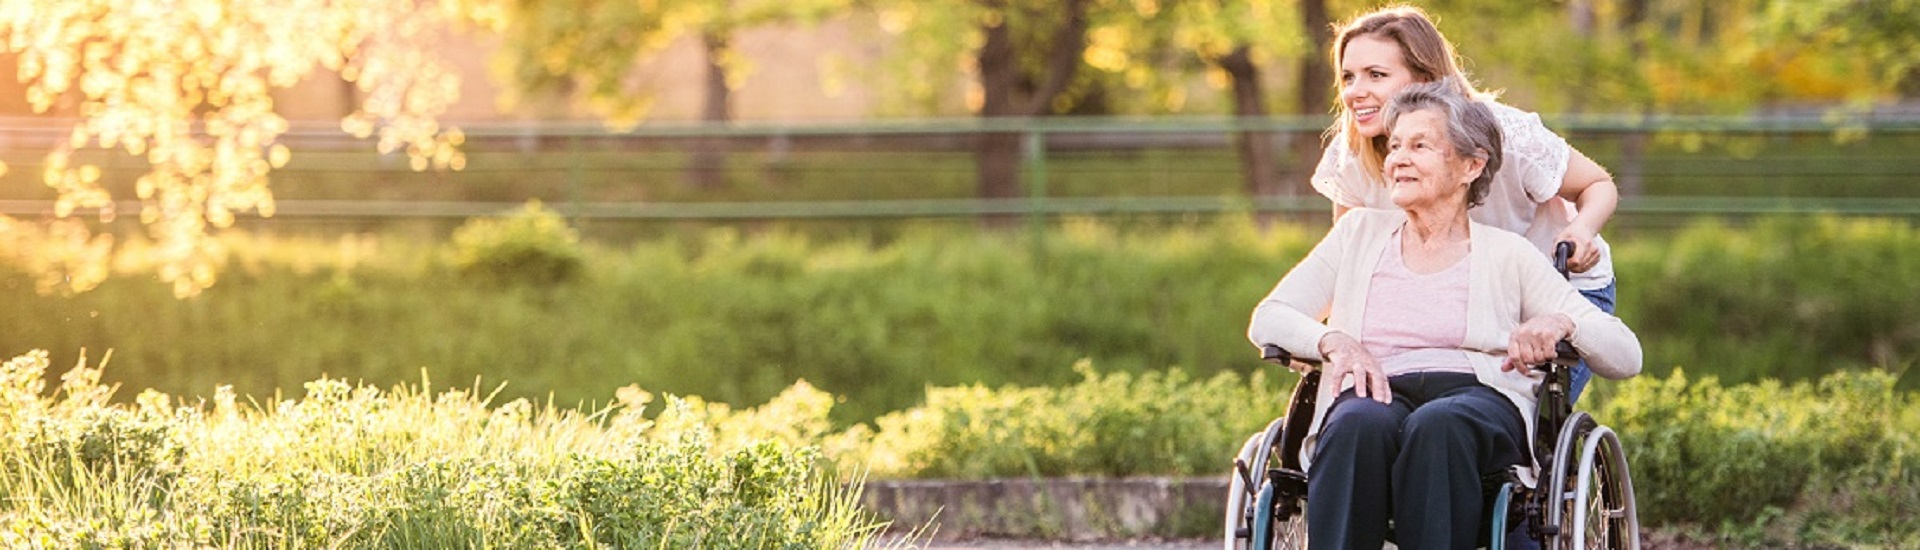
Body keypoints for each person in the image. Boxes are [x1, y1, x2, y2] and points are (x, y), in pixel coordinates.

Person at [1248, 79, 1642, 549]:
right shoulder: (1357, 234)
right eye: (1394, 146)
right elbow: (1268, 316)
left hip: (1477, 399)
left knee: (1440, 425)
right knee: (1355, 424)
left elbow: (1626, 354)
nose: (1398, 159)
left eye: (1419, 146)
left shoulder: (1508, 254)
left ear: (1471, 165)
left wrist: (1564, 323)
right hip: (1374, 392)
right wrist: (1331, 341)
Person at [1309, 5, 1621, 404]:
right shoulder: (1351, 154)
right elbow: (1350, 265)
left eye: (1376, 75)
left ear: (1424, 80)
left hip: (1550, 293)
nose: (1355, 91)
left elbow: (1598, 183)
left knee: (1518, 424)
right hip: (1453, 300)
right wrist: (1322, 335)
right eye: (1348, 77)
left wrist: (1581, 230)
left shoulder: (1504, 134)